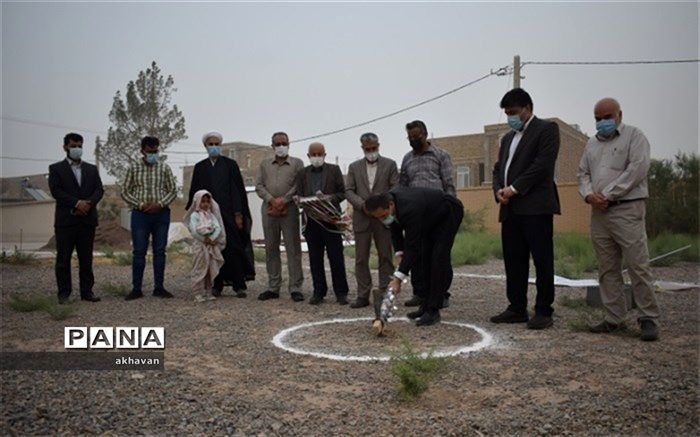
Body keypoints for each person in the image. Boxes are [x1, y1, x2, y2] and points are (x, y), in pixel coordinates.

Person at [577, 97, 660, 341]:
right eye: (598, 119)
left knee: (637, 264)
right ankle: (614, 317)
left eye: (607, 117)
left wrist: (609, 194)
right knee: (607, 267)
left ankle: (648, 318)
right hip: (599, 212)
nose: (602, 122)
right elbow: (583, 173)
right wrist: (590, 195)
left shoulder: (635, 137)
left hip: (627, 209)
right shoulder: (591, 144)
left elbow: (637, 169)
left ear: (619, 115)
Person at [490, 88, 560, 330]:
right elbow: (498, 169)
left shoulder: (547, 130)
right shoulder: (507, 138)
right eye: (507, 113)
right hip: (510, 209)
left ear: (528, 108)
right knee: (513, 260)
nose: (511, 117)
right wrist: (499, 190)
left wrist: (514, 188)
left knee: (542, 260)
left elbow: (542, 166)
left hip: (536, 207)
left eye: (514, 112)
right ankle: (516, 307)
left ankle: (543, 310)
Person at [364, 187, 464, 326]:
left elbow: (412, 247)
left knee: (437, 259)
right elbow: (396, 231)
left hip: (447, 214)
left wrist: (398, 279)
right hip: (428, 219)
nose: (382, 219)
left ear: (391, 205)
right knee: (424, 259)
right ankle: (425, 305)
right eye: (378, 218)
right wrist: (399, 253)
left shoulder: (409, 209)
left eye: (383, 216)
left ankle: (433, 310)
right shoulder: (390, 206)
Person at [186, 131, 255, 298]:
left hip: (229, 214)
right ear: (205, 146)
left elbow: (237, 190)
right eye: (211, 144)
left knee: (234, 248)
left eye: (217, 144)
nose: (214, 147)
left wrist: (239, 214)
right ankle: (216, 285)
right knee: (214, 251)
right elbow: (196, 193)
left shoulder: (230, 165)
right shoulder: (200, 167)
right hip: (209, 216)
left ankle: (239, 285)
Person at [399, 120, 456, 308]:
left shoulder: (441, 155)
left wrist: (451, 211)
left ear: (425, 134)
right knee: (417, 255)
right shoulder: (407, 159)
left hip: (438, 213)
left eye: (416, 136)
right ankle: (420, 293)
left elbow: (449, 185)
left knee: (439, 256)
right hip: (416, 216)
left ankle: (441, 293)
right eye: (410, 137)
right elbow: (403, 187)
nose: (413, 140)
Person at [48, 132, 104, 304]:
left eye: (79, 146)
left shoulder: (91, 169)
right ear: (65, 147)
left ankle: (87, 292)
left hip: (87, 221)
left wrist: (88, 203)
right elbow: (56, 191)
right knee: (63, 259)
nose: (77, 149)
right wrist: (76, 203)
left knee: (86, 259)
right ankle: (64, 293)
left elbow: (99, 190)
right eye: (73, 146)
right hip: (66, 221)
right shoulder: (56, 169)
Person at [345, 132, 399, 308]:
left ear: (379, 146)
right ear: (362, 148)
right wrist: (363, 206)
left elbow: (395, 187)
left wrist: (379, 205)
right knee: (361, 259)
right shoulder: (354, 167)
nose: (371, 152)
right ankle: (362, 295)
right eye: (367, 149)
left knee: (385, 256)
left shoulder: (390, 165)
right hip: (362, 218)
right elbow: (349, 190)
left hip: (383, 218)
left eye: (374, 148)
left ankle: (385, 292)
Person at [121, 136, 178, 300]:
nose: (153, 154)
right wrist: (141, 205)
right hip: (140, 215)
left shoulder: (165, 168)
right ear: (142, 151)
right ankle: (136, 289)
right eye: (150, 151)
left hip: (161, 214)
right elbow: (125, 191)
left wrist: (160, 204)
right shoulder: (133, 168)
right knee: (139, 252)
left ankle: (159, 288)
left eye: (156, 151)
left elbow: (172, 191)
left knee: (160, 251)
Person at [255, 131, 305, 302]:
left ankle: (295, 287)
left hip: (289, 210)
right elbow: (259, 186)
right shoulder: (264, 164)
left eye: (284, 143)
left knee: (293, 248)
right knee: (271, 248)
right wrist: (271, 200)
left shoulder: (298, 164)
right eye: (278, 143)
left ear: (289, 144)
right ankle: (273, 286)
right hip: (268, 211)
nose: (281, 146)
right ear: (272, 146)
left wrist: (284, 200)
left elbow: (299, 185)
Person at [297, 142, 349, 305]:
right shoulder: (302, 173)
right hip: (311, 222)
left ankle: (341, 292)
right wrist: (299, 201)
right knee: (315, 258)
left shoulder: (334, 170)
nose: (317, 157)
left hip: (331, 220)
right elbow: (299, 195)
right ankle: (319, 291)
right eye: (314, 154)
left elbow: (342, 193)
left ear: (325, 155)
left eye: (320, 154)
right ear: (308, 156)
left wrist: (329, 198)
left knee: (336, 257)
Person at [185, 190, 225, 302]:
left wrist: (212, 239)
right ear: (197, 202)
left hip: (210, 246)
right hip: (200, 246)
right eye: (203, 201)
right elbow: (193, 230)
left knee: (209, 268)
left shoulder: (211, 215)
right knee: (199, 267)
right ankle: (197, 293)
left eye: (208, 201)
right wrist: (204, 239)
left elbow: (217, 227)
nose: (205, 204)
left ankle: (208, 291)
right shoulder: (194, 216)